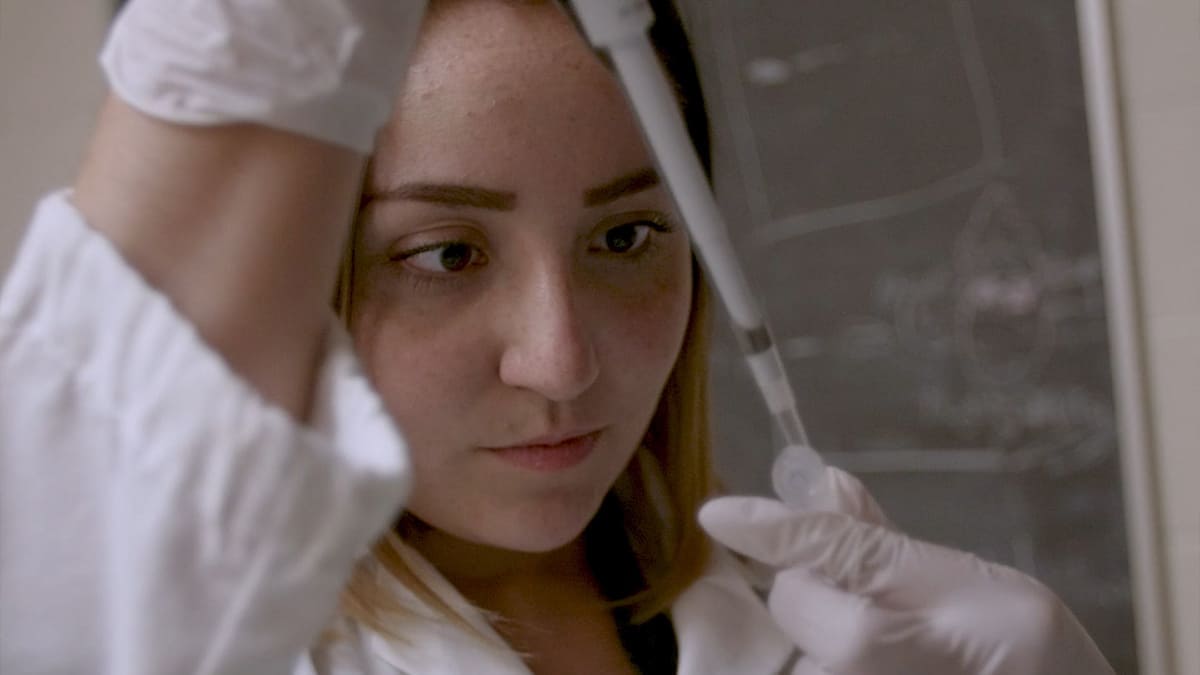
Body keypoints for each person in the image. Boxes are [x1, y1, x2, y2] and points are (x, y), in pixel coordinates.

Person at [0, 0, 1116, 673]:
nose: (562, 360)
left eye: (628, 236)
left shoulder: (815, 643)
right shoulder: (195, 636)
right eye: (446, 255)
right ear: (317, 282)